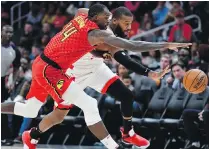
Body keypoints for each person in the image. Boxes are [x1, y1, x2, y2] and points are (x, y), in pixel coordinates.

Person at [1, 4, 191, 149]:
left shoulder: (85, 15)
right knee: (69, 111)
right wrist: (165, 45)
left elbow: (82, 17)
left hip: (79, 68)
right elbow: (130, 48)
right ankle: (112, 145)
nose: (128, 26)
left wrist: (148, 72)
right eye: (124, 22)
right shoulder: (99, 34)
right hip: (65, 72)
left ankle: (127, 133)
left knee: (32, 110)